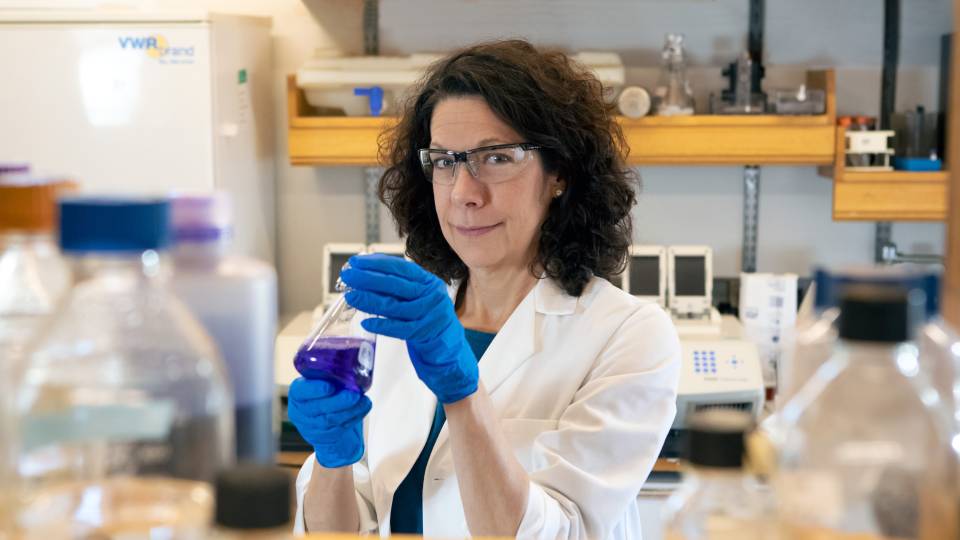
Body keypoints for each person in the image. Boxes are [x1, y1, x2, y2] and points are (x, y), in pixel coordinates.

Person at [290, 39, 680, 539]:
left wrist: (463, 393)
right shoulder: (399, 323)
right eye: (445, 161)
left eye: (496, 158)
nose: (464, 194)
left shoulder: (629, 336)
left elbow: (560, 533)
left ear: (559, 172)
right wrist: (332, 460)